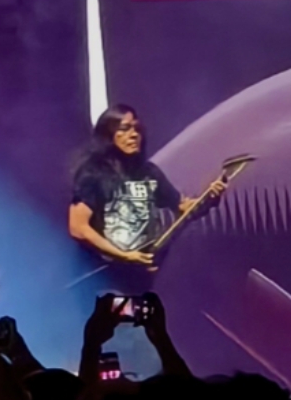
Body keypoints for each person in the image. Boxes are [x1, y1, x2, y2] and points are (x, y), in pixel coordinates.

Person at [68, 105, 224, 284]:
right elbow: (78, 227)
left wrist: (209, 197)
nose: (134, 135)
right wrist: (124, 256)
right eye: (125, 129)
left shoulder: (148, 172)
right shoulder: (95, 174)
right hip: (105, 279)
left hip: (144, 276)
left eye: (137, 129)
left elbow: (183, 207)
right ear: (108, 135)